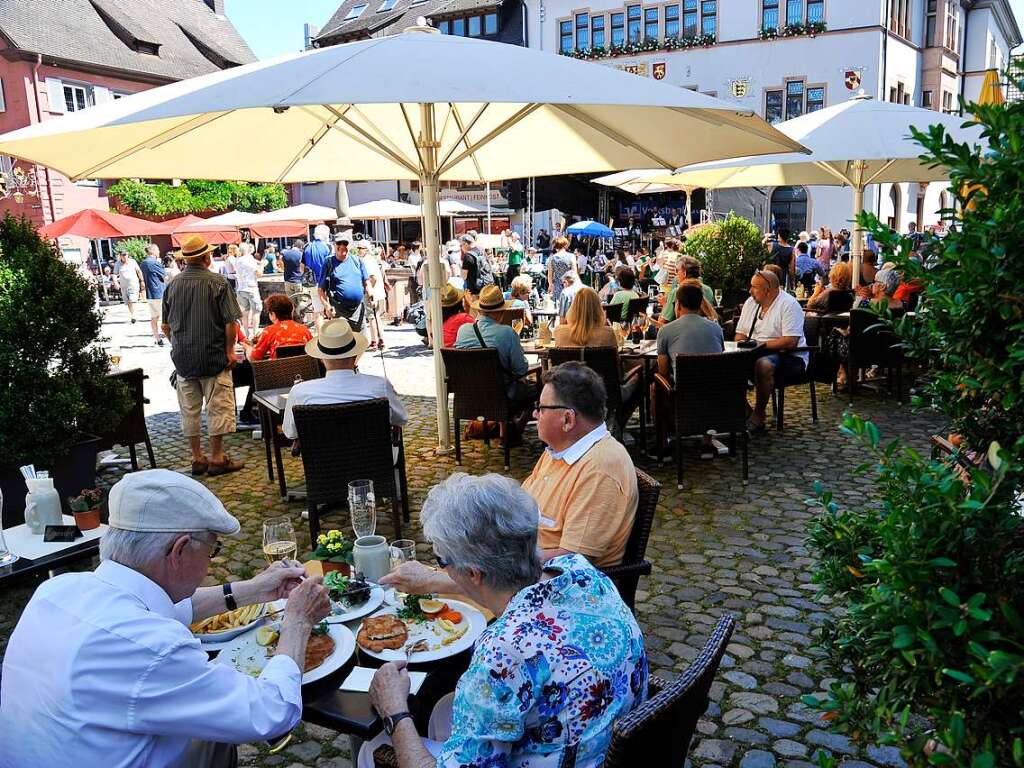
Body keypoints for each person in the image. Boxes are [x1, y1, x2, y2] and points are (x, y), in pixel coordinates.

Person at [0, 469, 331, 768]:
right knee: (219, 732)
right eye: (212, 550)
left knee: (211, 737)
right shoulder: (153, 646)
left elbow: (168, 607)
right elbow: (271, 713)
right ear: (179, 550)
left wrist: (254, 590)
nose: (211, 563)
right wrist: (297, 621)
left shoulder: (56, 591)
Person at [365, 471, 647, 768]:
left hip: (572, 753)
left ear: (474, 573)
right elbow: (505, 589)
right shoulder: (580, 571)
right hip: (608, 742)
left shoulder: (502, 652)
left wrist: (394, 711)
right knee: (444, 711)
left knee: (372, 747)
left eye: (441, 562)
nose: (441, 570)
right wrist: (435, 581)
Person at [161, 235, 245, 476]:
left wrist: (178, 344)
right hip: (213, 355)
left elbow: (166, 326)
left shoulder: (172, 286)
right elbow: (230, 322)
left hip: (184, 359)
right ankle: (217, 458)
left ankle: (197, 457)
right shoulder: (218, 283)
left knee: (189, 409)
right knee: (218, 405)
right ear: (206, 257)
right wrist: (230, 350)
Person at [282, 318, 407, 438]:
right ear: (355, 354)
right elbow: (400, 419)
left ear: (321, 358)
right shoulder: (380, 386)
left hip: (321, 459)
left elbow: (290, 433)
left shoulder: (299, 392)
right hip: (374, 457)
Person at [734, 269, 808, 432]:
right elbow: (740, 334)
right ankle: (745, 411)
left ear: (768, 290)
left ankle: (759, 415)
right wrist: (741, 347)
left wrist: (760, 346)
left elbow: (790, 341)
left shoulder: (788, 304)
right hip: (755, 352)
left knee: (764, 365)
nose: (750, 290)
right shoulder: (751, 303)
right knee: (725, 364)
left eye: (754, 287)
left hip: (790, 356)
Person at [454, 284, 536, 407]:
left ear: (479, 310)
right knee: (536, 389)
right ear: (501, 311)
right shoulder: (507, 332)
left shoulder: (463, 330)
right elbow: (521, 369)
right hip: (502, 395)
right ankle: (513, 424)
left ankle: (501, 423)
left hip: (469, 394)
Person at [657, 281, 725, 382]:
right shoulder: (716, 328)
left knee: (654, 387)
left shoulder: (665, 331)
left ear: (678, 305)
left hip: (683, 395)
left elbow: (663, 374)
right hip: (714, 392)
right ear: (700, 304)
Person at [318, 232, 370, 331]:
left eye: (345, 243)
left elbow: (366, 282)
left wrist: (371, 294)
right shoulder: (329, 263)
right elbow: (321, 289)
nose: (342, 246)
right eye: (339, 243)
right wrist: (327, 305)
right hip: (339, 311)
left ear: (349, 245)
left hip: (358, 311)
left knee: (361, 342)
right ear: (334, 244)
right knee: (342, 343)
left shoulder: (357, 261)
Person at [243, 294, 313, 363]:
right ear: (291, 312)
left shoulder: (269, 331)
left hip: (278, 372)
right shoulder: (304, 329)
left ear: (273, 314)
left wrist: (248, 349)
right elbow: (313, 351)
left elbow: (255, 358)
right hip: (304, 371)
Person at [660, 255, 716, 324]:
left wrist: (664, 305)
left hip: (681, 331)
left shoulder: (677, 292)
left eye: (677, 270)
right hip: (704, 331)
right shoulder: (708, 290)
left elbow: (662, 323)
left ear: (684, 273)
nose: (676, 274)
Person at [359, 242, 388, 351]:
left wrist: (368, 291)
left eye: (361, 248)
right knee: (376, 317)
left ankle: (375, 340)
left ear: (366, 249)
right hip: (376, 292)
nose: (359, 250)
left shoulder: (367, 261)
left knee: (372, 317)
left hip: (371, 293)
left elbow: (373, 278)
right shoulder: (371, 259)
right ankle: (381, 340)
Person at [303, 225, 333, 329]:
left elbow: (302, 266)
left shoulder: (307, 247)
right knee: (331, 309)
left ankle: (321, 337)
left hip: (311, 282)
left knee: (318, 312)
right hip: (325, 282)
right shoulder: (327, 247)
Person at [139, 244, 167, 346]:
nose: (159, 252)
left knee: (154, 317)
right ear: (153, 251)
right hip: (159, 293)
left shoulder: (143, 263)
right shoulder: (154, 263)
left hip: (150, 293)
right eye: (158, 250)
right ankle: (169, 337)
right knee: (165, 317)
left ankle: (157, 338)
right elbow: (164, 275)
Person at [233, 242, 262, 339]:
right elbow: (259, 273)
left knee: (245, 312)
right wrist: (262, 264)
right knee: (256, 311)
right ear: (248, 250)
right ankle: (255, 333)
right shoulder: (250, 259)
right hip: (251, 287)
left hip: (240, 288)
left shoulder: (237, 260)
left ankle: (247, 334)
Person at [116, 249, 144, 324]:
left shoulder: (133, 261)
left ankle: (134, 315)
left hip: (133, 284)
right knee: (128, 301)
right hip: (124, 286)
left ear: (128, 255)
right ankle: (132, 314)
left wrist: (142, 281)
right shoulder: (118, 264)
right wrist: (115, 282)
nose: (125, 257)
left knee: (132, 299)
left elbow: (138, 271)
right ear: (120, 256)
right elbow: (114, 274)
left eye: (126, 255)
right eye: (123, 255)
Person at [546, 236, 576, 304]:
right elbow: (574, 273)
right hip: (569, 285)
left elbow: (550, 275)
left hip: (557, 285)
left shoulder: (552, 258)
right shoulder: (571, 256)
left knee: (558, 308)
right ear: (565, 245)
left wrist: (550, 285)